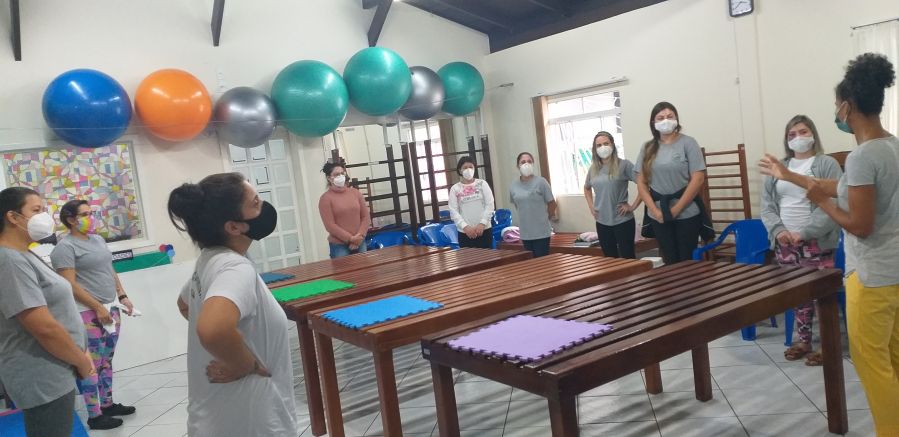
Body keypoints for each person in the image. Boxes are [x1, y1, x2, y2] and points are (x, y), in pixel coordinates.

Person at [761, 53, 898, 436]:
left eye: (837, 104)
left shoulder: (861, 156)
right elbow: (840, 187)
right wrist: (790, 176)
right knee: (894, 360)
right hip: (895, 274)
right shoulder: (891, 146)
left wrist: (821, 203)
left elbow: (860, 225)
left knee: (874, 367)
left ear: (847, 107)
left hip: (871, 278)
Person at [168, 173, 298, 437]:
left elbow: (184, 304)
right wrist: (243, 364)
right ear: (234, 227)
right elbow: (212, 329)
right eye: (256, 203)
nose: (264, 206)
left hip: (219, 418)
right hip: (249, 422)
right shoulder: (235, 268)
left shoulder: (211, 259)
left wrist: (231, 346)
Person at [0, 187, 94, 437]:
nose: (44, 216)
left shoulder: (24, 253)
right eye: (37, 210)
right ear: (13, 217)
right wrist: (80, 360)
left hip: (56, 367)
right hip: (40, 373)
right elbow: (43, 327)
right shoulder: (9, 260)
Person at [759, 116, 842, 366]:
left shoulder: (826, 164)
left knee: (822, 295)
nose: (798, 137)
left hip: (817, 242)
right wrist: (778, 230)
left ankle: (827, 345)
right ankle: (803, 341)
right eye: (792, 134)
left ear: (813, 134)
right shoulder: (779, 167)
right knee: (797, 295)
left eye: (803, 132)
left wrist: (805, 232)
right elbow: (767, 205)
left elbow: (833, 203)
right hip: (785, 243)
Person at [50, 200, 136, 429]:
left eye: (92, 212)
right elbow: (69, 284)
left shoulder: (97, 240)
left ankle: (107, 404)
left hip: (111, 307)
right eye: (85, 214)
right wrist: (97, 307)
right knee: (91, 364)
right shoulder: (65, 248)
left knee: (106, 360)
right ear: (71, 219)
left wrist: (122, 295)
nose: (92, 217)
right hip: (86, 312)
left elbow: (109, 270)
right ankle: (95, 415)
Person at [635, 102, 710, 264]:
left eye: (670, 116)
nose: (666, 120)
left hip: (687, 212)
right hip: (658, 213)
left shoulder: (688, 143)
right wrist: (655, 211)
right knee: (669, 259)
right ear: (653, 123)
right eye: (660, 118)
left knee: (686, 260)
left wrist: (676, 209)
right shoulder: (647, 147)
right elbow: (641, 182)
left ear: (676, 119)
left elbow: (698, 178)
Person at [583, 131, 642, 259]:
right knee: (609, 260)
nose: (603, 147)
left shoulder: (624, 165)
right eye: (599, 145)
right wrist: (591, 207)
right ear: (595, 148)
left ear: (612, 145)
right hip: (602, 222)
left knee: (628, 258)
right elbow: (586, 188)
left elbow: (643, 184)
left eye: (606, 143)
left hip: (622, 221)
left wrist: (632, 206)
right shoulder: (593, 169)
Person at [318, 161, 370, 258]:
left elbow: (365, 217)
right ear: (329, 178)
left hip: (360, 242)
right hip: (339, 246)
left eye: (342, 173)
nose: (341, 176)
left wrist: (360, 236)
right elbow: (330, 225)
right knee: (344, 268)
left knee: (364, 267)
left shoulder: (355, 193)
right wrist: (351, 239)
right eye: (336, 174)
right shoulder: (325, 199)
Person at [509, 152, 557, 257]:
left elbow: (552, 203)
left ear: (533, 164)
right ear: (518, 166)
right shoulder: (513, 185)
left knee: (541, 262)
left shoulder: (541, 182)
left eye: (529, 161)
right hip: (525, 233)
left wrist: (546, 217)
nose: (526, 164)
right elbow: (517, 205)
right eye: (523, 162)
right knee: (530, 262)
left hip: (541, 233)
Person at [448, 156, 495, 249]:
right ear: (460, 170)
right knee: (468, 257)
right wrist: (465, 227)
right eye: (465, 167)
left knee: (488, 257)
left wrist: (482, 223)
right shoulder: (455, 188)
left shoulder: (482, 183)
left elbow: (490, 205)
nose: (468, 170)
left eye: (471, 167)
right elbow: (453, 211)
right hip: (465, 233)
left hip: (484, 230)